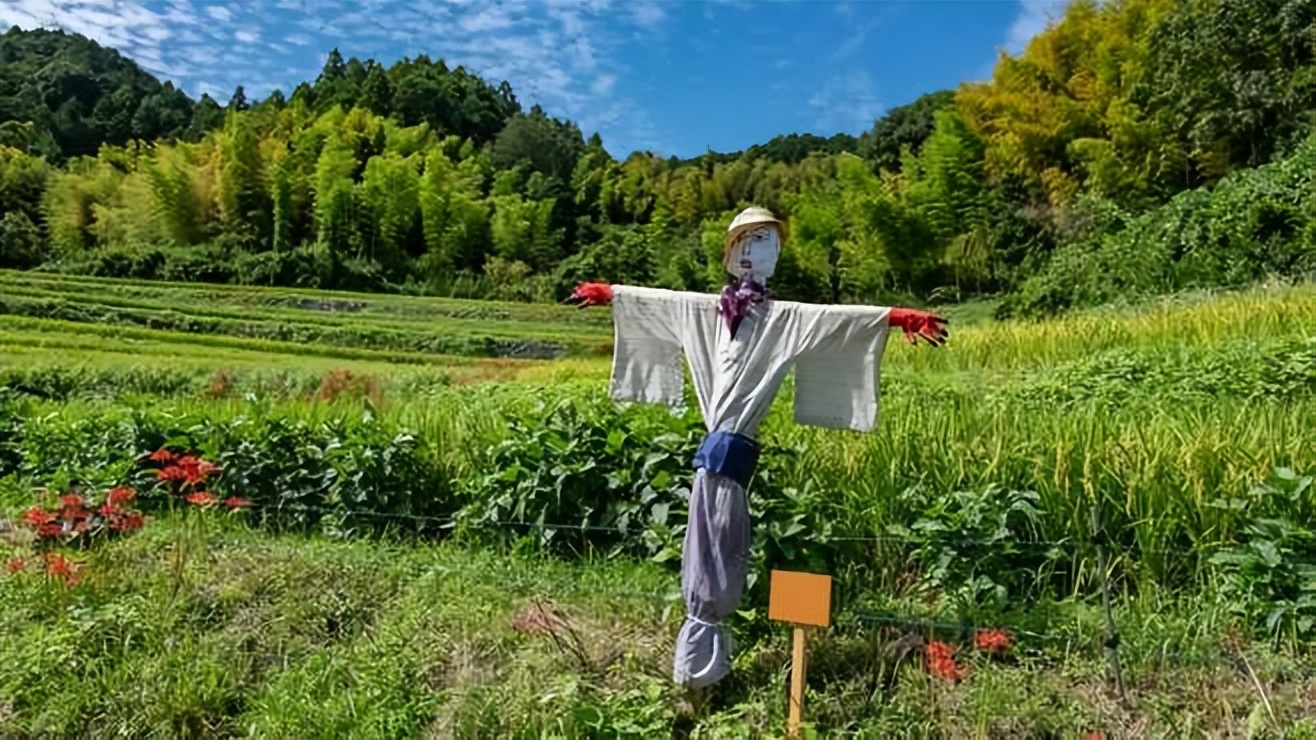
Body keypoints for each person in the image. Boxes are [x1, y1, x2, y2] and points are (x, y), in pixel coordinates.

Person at [567, 206, 947, 690]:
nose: (751, 250)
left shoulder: (782, 318)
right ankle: (701, 667)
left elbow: (836, 322)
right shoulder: (706, 310)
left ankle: (704, 666)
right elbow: (660, 302)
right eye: (743, 241)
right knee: (710, 543)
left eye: (764, 240)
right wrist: (609, 295)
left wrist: (899, 318)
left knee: (722, 542)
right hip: (717, 455)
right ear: (729, 252)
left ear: (778, 251)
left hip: (731, 453)